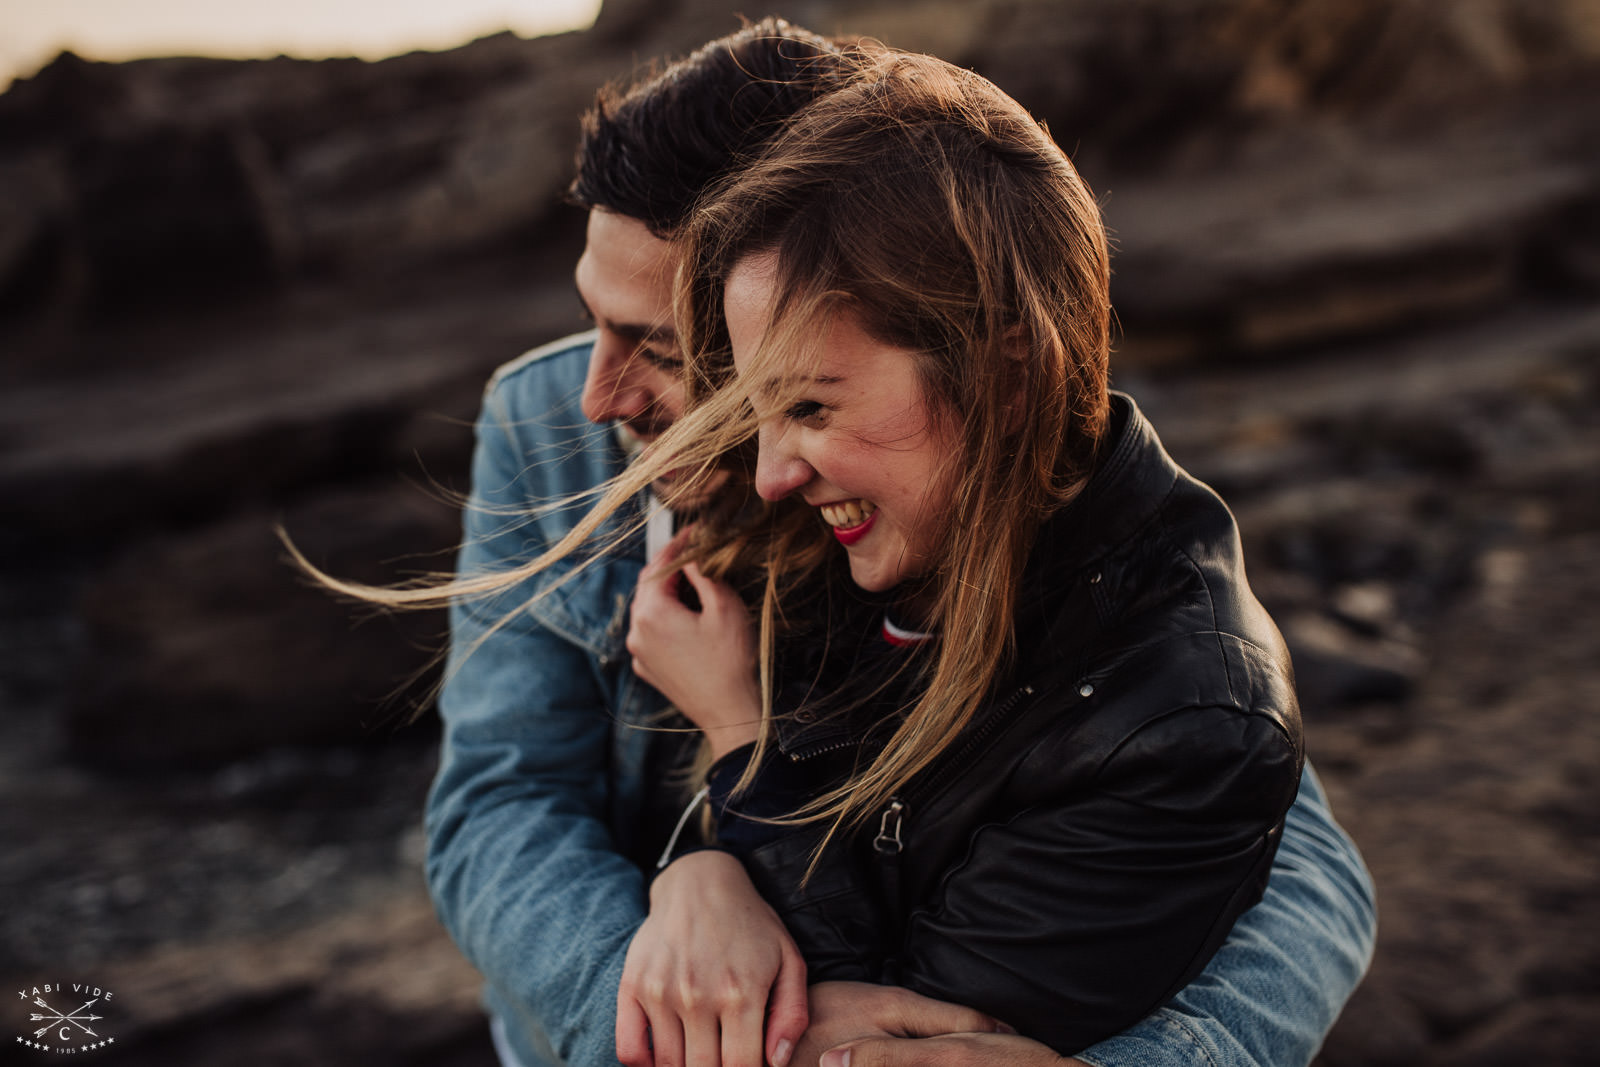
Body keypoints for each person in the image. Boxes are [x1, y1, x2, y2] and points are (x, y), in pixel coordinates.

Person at [389, 20, 1373, 1067]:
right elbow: (497, 801)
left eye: (665, 350)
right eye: (594, 317)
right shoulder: (546, 428)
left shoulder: (928, 488)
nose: (597, 395)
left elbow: (1305, 865)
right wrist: (675, 980)